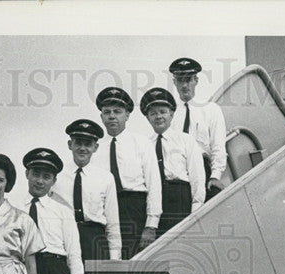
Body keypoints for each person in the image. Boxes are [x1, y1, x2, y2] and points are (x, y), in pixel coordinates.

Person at [55, 119, 122, 274]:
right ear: (70, 144)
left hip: (94, 240)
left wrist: (114, 260)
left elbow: (113, 223)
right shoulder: (57, 177)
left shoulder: (105, 178)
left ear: (95, 148)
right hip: (64, 238)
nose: (82, 148)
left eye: (88, 144)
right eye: (78, 143)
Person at [96, 86, 161, 258]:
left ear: (127, 115)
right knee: (109, 260)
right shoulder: (96, 147)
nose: (111, 116)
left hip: (133, 208)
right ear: (101, 116)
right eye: (107, 111)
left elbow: (154, 184)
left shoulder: (141, 143)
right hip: (105, 208)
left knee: (136, 261)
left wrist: (150, 225)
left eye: (117, 111)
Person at [22, 147, 83, 274]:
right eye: (36, 174)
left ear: (54, 180)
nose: (40, 181)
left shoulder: (62, 211)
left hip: (55, 273)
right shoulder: (16, 210)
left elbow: (74, 252)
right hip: (25, 273)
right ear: (27, 174)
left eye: (46, 177)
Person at [141, 87, 205, 235]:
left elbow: (197, 178)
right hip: (154, 201)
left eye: (162, 112)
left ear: (171, 114)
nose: (158, 117)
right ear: (148, 117)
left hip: (180, 199)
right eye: (153, 113)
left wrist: (195, 214)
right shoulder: (145, 145)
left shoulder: (185, 140)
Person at [169, 57, 228, 200]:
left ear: (196, 80)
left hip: (203, 169)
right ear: (174, 82)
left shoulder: (211, 109)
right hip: (178, 173)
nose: (184, 85)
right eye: (180, 80)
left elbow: (218, 146)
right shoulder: (170, 113)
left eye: (188, 79)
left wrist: (215, 176)